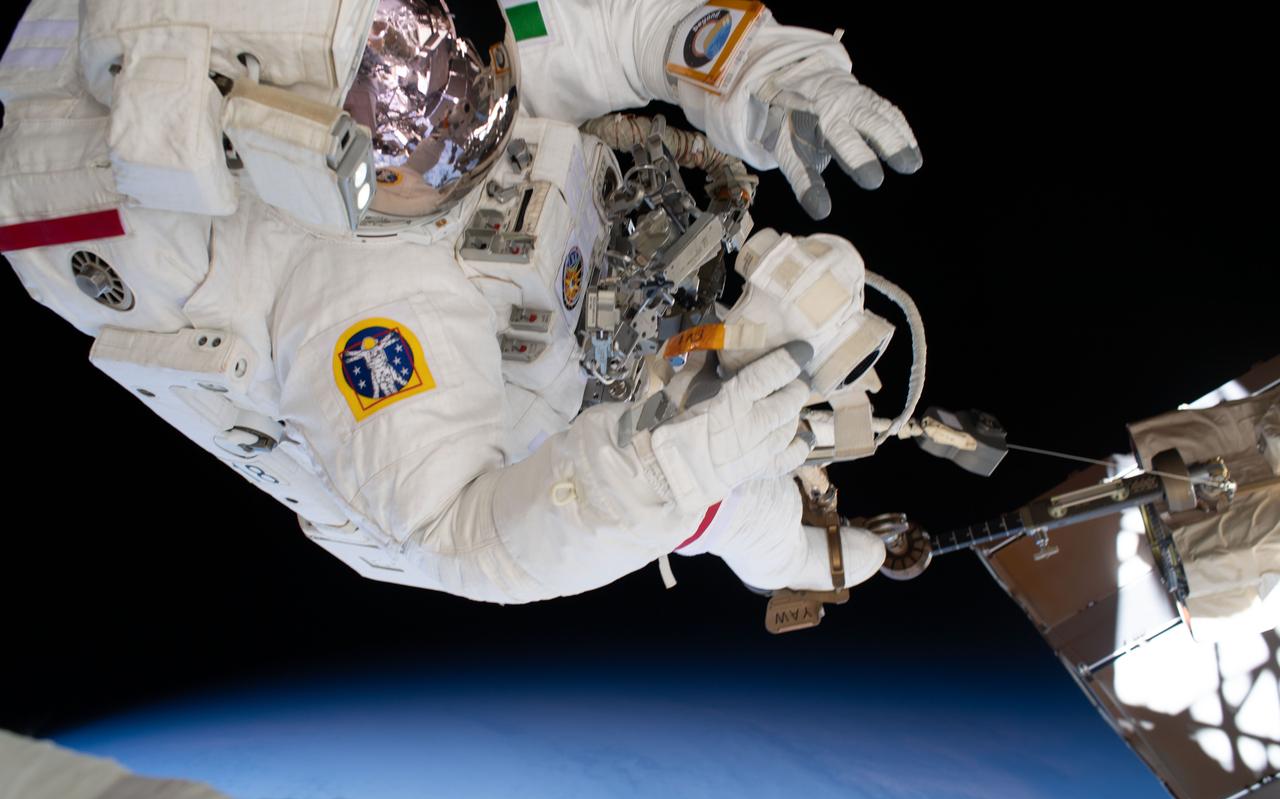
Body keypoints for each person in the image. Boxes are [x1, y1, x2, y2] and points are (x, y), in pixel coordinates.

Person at [0, 0, 922, 603]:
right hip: (521, 448)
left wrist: (767, 70)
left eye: (427, 49)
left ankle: (826, 534)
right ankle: (835, 556)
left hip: (599, 318)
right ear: (294, 147)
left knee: (740, 434)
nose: (456, 102)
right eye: (404, 111)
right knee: (733, 500)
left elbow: (615, 28)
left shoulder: (421, 46)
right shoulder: (353, 306)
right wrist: (669, 470)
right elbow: (460, 534)